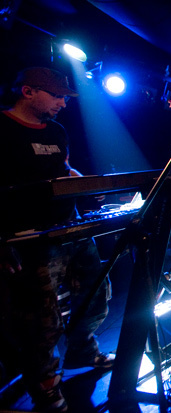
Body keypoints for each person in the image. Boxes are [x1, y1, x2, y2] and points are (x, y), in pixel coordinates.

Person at [0, 67, 114, 412]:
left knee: (96, 293)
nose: (63, 103)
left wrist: (83, 183)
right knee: (41, 316)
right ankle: (45, 384)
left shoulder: (57, 131)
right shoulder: (3, 129)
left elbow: (64, 169)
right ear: (28, 91)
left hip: (71, 227)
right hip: (30, 238)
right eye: (57, 96)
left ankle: (83, 350)